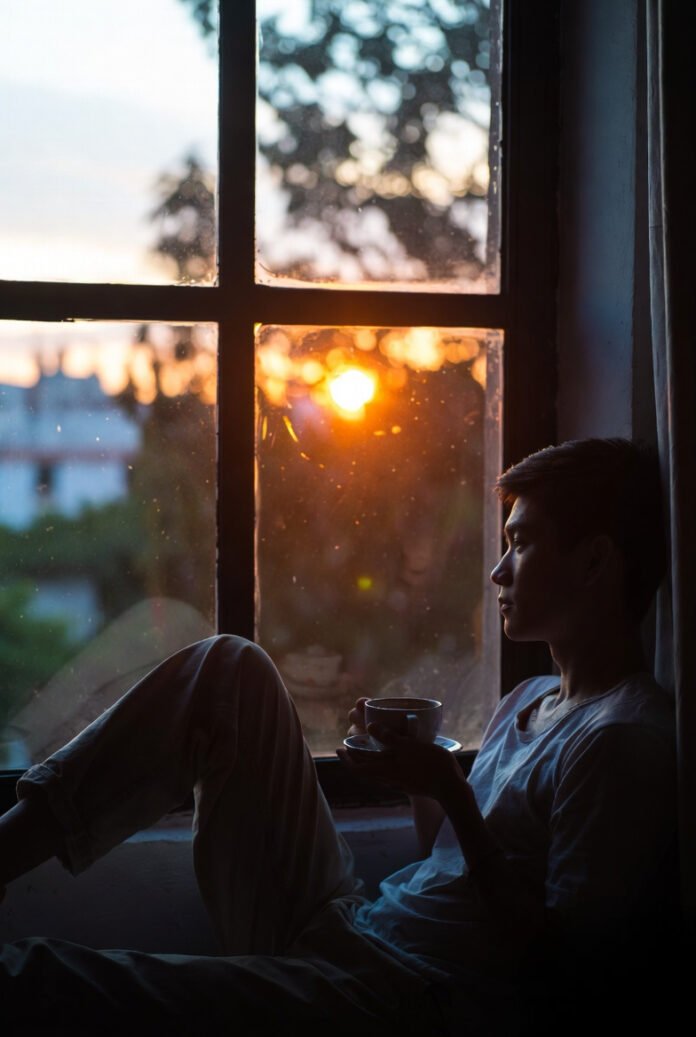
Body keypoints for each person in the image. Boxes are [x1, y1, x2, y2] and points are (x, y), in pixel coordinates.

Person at [0, 438, 678, 1035]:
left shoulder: (620, 739)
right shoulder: (530, 698)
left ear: (595, 563)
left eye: (521, 542)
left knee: (58, 982)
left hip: (406, 997)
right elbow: (450, 867)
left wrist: (452, 791)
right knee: (230, 665)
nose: (499, 570)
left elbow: (565, 982)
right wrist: (419, 780)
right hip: (358, 930)